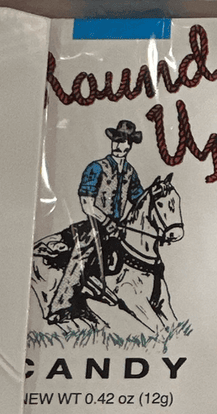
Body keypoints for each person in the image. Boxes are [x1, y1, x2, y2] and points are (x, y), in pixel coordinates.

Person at [36, 119, 146, 324]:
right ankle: (61, 305)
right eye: (116, 140)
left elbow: (139, 200)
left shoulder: (130, 172)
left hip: (118, 227)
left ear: (130, 145)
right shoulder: (96, 168)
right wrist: (107, 222)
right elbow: (86, 203)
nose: (118, 145)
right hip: (95, 223)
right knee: (83, 252)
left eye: (123, 141)